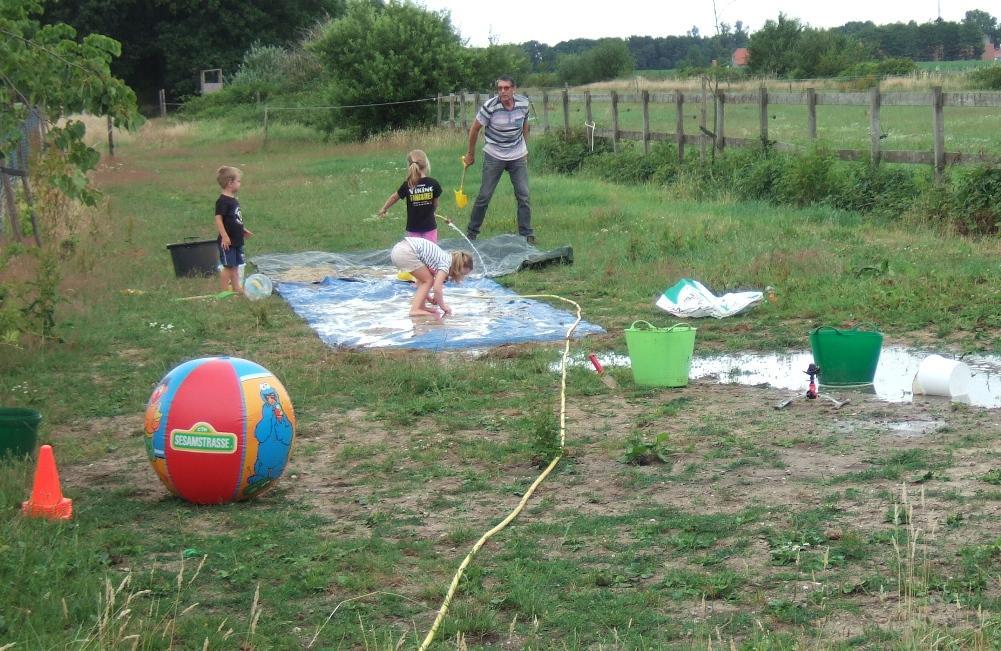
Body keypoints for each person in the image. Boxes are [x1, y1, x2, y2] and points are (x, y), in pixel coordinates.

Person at [463, 75, 535, 245]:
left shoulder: (524, 104)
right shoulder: (490, 107)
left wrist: (525, 147)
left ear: (513, 89)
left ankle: (526, 235)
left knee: (523, 195)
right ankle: (472, 233)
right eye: (500, 88)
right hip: (494, 154)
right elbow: (474, 129)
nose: (503, 91)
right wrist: (470, 154)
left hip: (517, 154)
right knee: (484, 195)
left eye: (506, 88)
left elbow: (525, 124)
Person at [390, 237, 473, 317]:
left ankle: (420, 306)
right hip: (406, 252)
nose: (460, 277)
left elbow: (420, 282)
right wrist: (443, 306)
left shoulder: (441, 258)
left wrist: (428, 297)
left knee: (425, 280)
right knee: (429, 281)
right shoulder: (446, 264)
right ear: (457, 268)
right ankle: (415, 310)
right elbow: (437, 288)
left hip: (398, 250)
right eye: (462, 274)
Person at [378, 149, 443, 242]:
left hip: (413, 228)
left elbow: (394, 197)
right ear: (426, 164)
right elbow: (435, 204)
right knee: (431, 252)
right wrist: (432, 212)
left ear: (409, 166)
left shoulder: (408, 184)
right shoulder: (433, 183)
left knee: (414, 253)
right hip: (430, 227)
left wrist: (384, 208)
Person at [214, 166, 253, 293]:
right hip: (227, 242)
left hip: (236, 239)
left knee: (235, 266)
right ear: (230, 183)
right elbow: (219, 219)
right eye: (238, 181)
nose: (239, 184)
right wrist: (224, 236)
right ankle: (225, 291)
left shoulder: (233, 200)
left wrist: (243, 229)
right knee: (228, 267)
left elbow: (235, 218)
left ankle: (237, 288)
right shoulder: (222, 201)